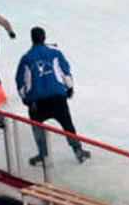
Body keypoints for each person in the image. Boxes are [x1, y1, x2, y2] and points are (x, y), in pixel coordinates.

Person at [15, 27, 90, 166]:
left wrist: (26, 99)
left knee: (37, 128)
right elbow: (65, 71)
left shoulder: (26, 58)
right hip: (57, 98)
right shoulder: (55, 53)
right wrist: (70, 88)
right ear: (44, 37)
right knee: (68, 125)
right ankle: (77, 150)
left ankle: (43, 154)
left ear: (32, 39)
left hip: (37, 102)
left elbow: (20, 81)